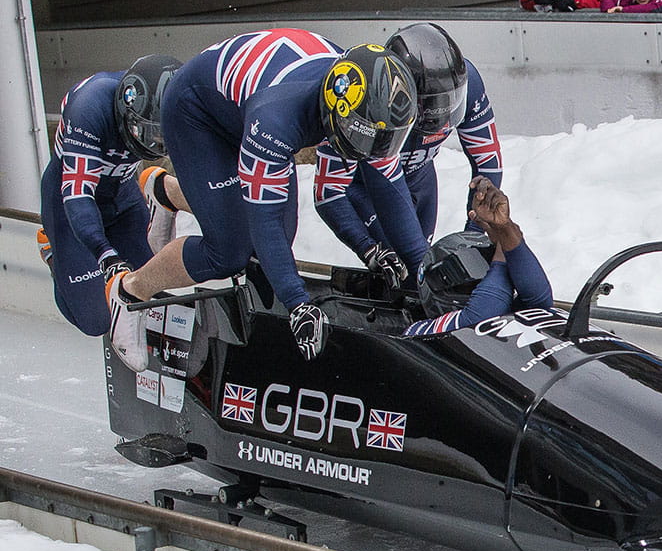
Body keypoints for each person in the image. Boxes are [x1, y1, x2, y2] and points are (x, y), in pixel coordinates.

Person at [107, 29, 418, 371]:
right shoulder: (277, 119)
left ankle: (166, 192)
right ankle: (130, 291)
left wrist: (387, 257)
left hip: (249, 99)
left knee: (279, 243)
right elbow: (263, 219)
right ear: (334, 112)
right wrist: (298, 303)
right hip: (197, 114)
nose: (373, 154)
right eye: (365, 139)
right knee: (229, 251)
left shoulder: (368, 114)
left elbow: (334, 197)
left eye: (388, 141)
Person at [317, 23, 503, 290]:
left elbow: (488, 161)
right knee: (411, 270)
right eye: (430, 104)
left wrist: (474, 234)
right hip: (367, 186)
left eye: (448, 101)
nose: (440, 116)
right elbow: (330, 191)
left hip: (420, 177)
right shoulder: (375, 94)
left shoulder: (469, 81)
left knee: (422, 269)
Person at [38, 54, 181, 337]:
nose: (155, 143)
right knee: (98, 322)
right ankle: (51, 249)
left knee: (150, 293)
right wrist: (105, 255)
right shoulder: (89, 107)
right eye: (149, 132)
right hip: (71, 204)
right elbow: (78, 194)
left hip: (124, 197)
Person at [405, 177, 553, 336]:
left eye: (487, 268)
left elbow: (540, 301)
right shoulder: (418, 331)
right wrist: (503, 246)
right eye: (474, 282)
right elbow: (481, 317)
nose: (484, 280)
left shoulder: (506, 306)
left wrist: (505, 228)